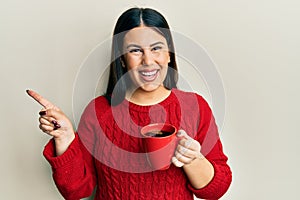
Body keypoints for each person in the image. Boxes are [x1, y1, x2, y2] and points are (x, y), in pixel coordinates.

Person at [27, 7, 232, 200]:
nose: (148, 61)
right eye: (135, 51)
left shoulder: (194, 107)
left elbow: (216, 190)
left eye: (156, 48)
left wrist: (192, 159)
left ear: (169, 54)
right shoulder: (98, 111)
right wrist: (65, 138)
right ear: (122, 59)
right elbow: (76, 190)